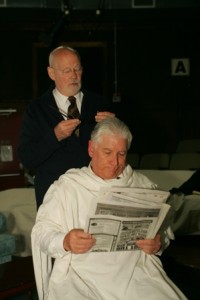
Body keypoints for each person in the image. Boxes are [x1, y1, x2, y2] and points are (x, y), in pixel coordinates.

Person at [31, 117, 187, 300]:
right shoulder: (67, 187)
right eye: (107, 152)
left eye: (121, 154)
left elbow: (164, 233)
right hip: (80, 274)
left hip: (135, 272)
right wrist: (65, 241)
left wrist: (158, 244)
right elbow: (41, 232)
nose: (115, 162)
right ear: (91, 149)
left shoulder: (143, 186)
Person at [18, 45, 115, 208]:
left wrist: (116, 126)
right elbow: (27, 158)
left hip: (95, 195)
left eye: (77, 69)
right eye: (67, 71)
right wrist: (54, 136)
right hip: (54, 200)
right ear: (51, 73)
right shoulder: (36, 109)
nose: (74, 76)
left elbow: (119, 149)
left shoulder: (99, 103)